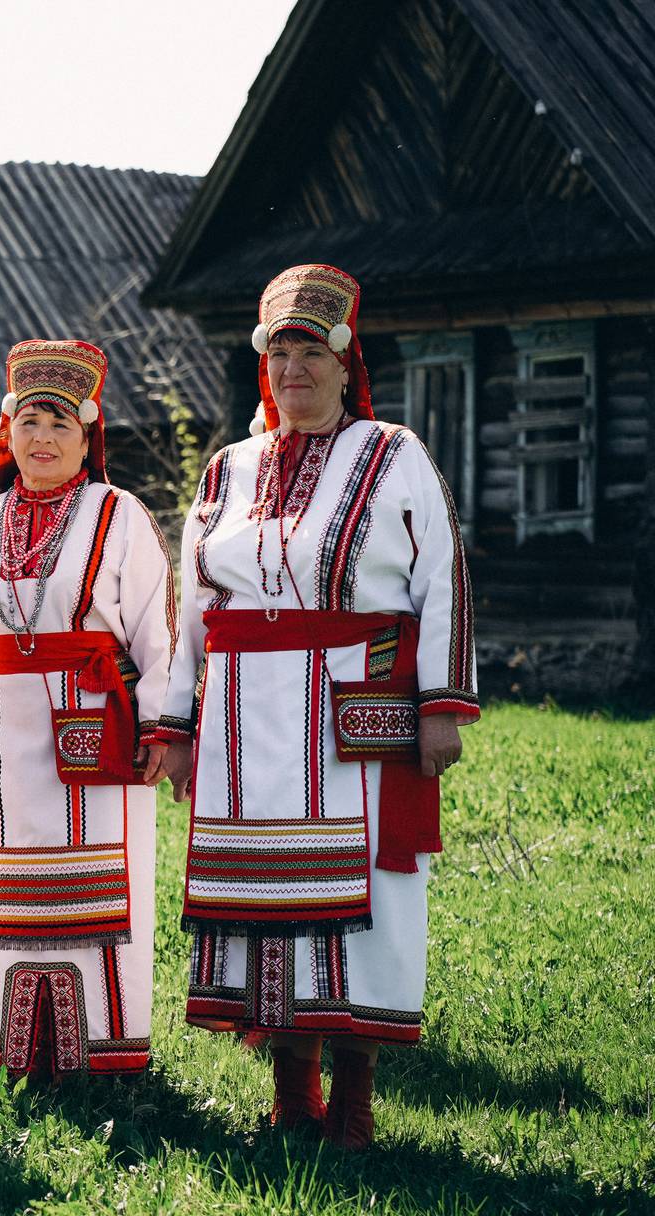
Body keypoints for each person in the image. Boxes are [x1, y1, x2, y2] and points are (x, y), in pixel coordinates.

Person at [154, 263, 477, 1149]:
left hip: (353, 710)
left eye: (311, 350)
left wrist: (442, 702)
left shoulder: (394, 454)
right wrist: (177, 726)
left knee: (364, 896)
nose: (293, 368)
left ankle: (358, 1097)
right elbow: (195, 606)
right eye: (279, 351)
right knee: (267, 904)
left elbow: (442, 577)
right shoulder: (228, 469)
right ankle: (293, 1088)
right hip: (242, 720)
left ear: (344, 361)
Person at [0, 340, 175, 1079]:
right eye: (30, 420)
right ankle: (3, 1033)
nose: (43, 438)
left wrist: (160, 722)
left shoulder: (119, 514)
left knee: (96, 874)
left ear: (88, 435)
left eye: (62, 423)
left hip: (96, 723)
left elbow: (158, 629)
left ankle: (101, 1043)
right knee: (10, 874)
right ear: (10, 430)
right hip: (4, 731)